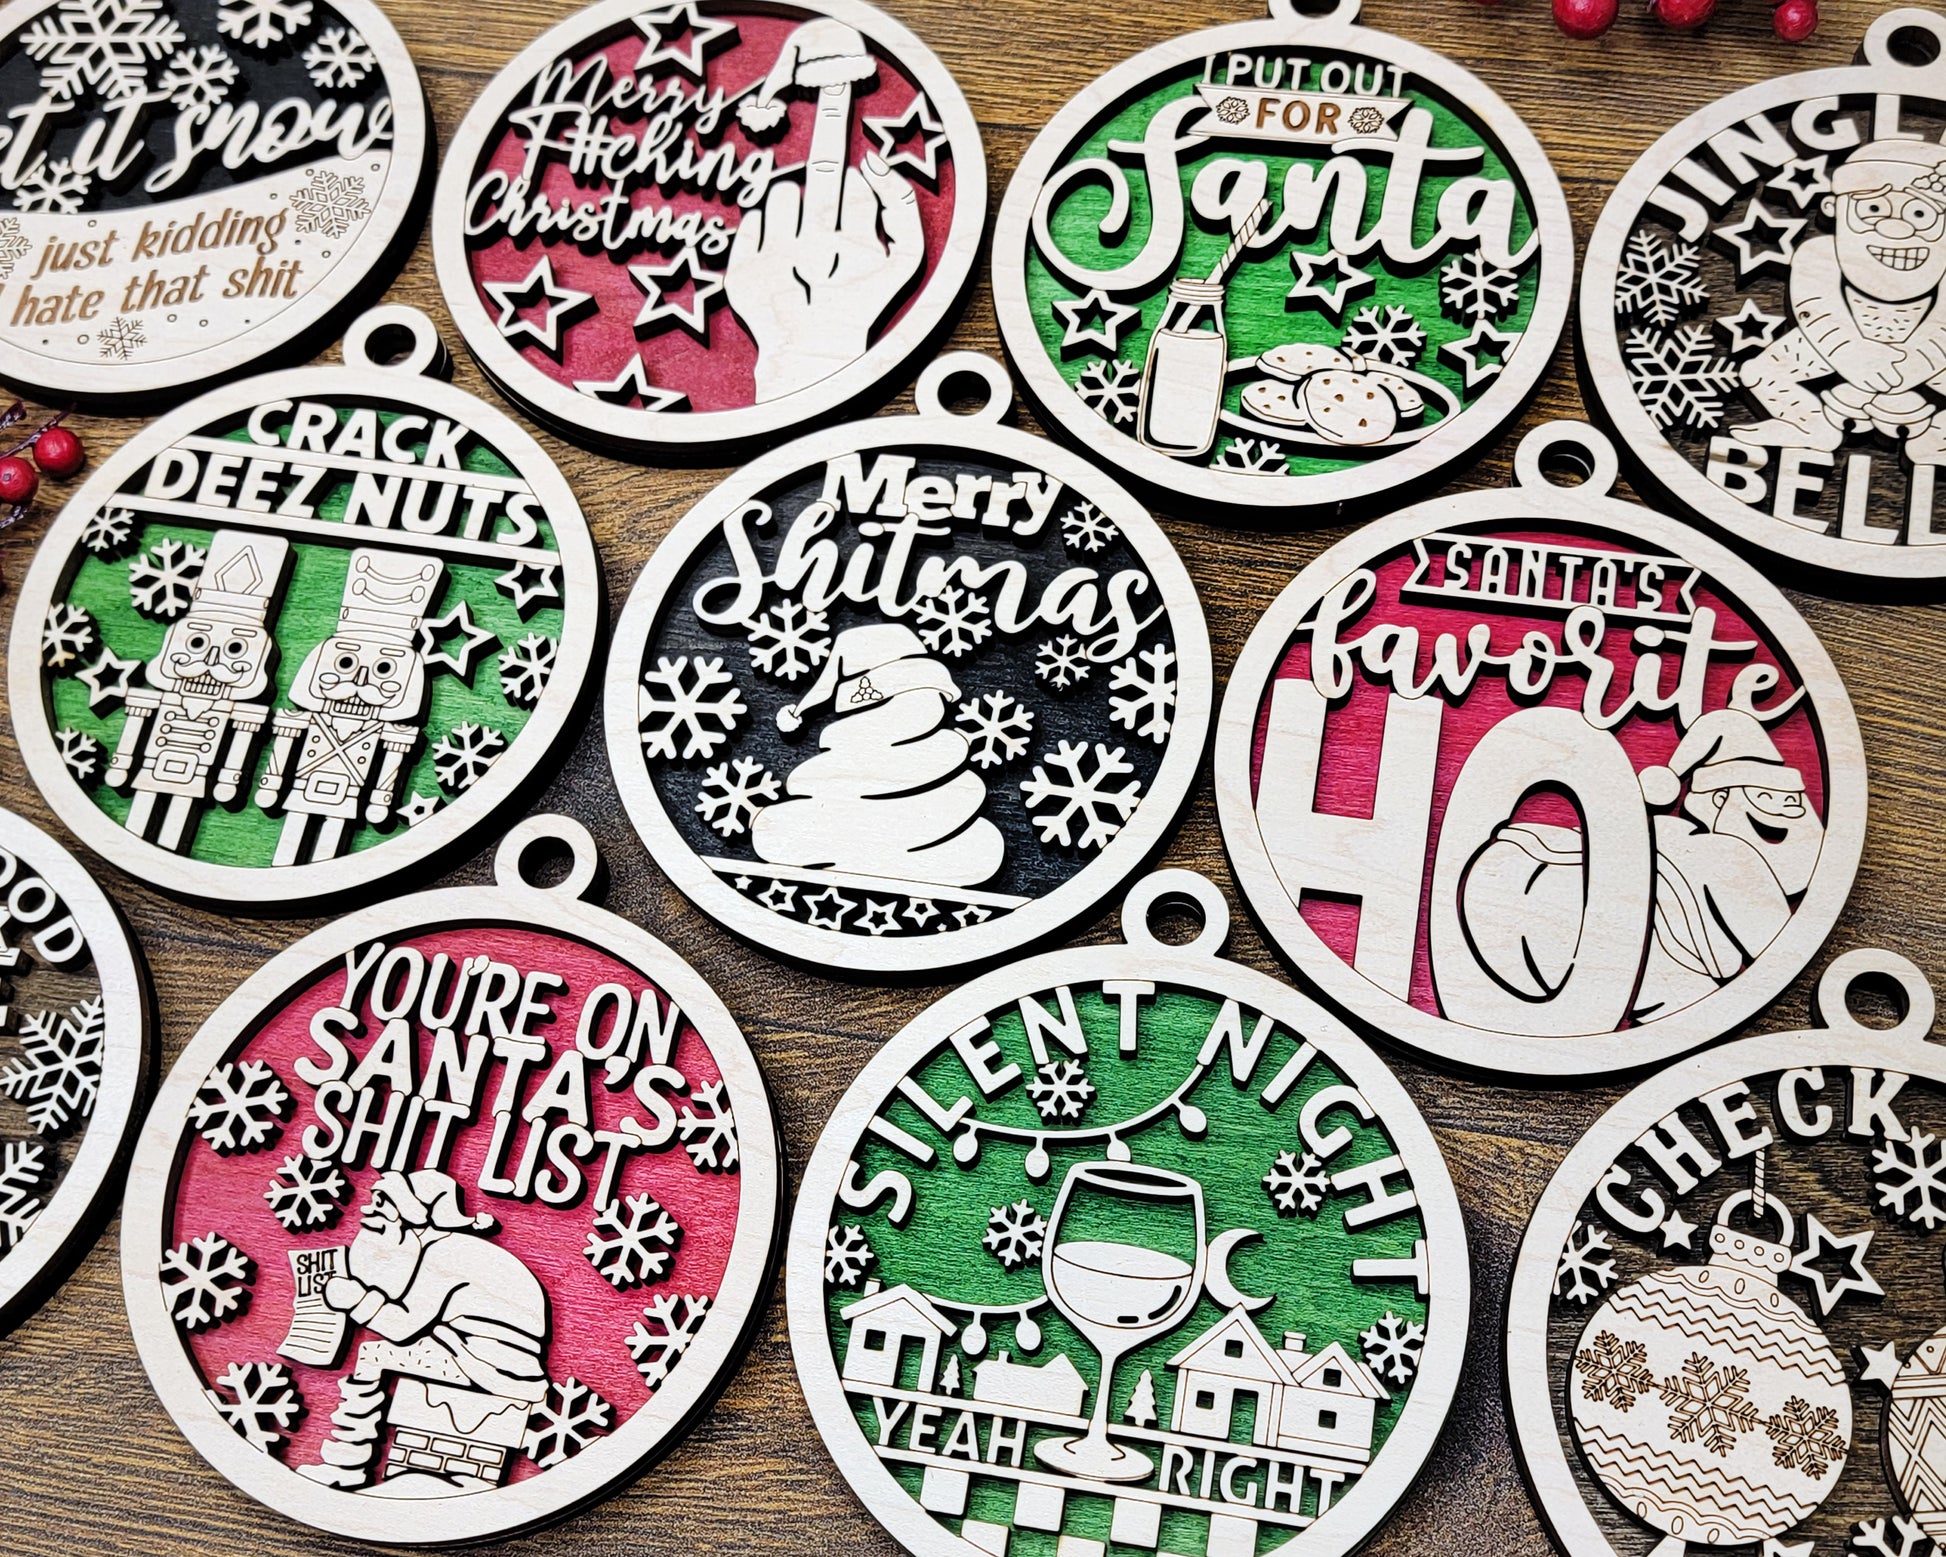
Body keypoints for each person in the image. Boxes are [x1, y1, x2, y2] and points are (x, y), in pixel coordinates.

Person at [297, 1170, 549, 1492]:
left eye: (384, 1205)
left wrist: (355, 1300)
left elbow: (402, 1327)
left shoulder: (445, 1254)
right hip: (475, 1349)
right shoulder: (448, 1247)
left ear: (410, 1214)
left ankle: (348, 1463)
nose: (370, 1211)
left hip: (491, 1363)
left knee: (373, 1355)